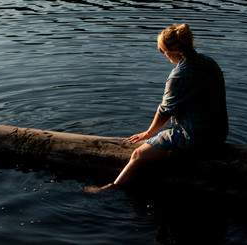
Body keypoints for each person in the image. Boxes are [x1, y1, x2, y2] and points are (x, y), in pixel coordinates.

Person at [92, 23, 228, 191]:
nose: (163, 54)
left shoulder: (179, 75)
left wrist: (148, 133)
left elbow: (164, 111)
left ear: (176, 49)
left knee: (138, 154)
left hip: (197, 138)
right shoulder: (209, 62)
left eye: (163, 50)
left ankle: (111, 188)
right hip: (219, 134)